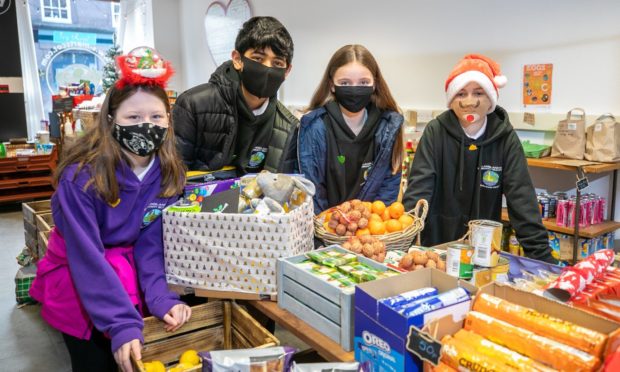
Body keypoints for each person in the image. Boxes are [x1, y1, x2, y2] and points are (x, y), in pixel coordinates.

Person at [30, 47, 192, 372]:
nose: (146, 126)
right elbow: (86, 256)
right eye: (133, 118)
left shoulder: (168, 174)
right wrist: (119, 322)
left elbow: (152, 244)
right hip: (79, 279)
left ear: (168, 121)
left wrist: (161, 298)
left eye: (156, 117)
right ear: (111, 121)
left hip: (131, 275)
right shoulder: (81, 178)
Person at [403, 54, 556, 263]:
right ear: (451, 98)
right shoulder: (435, 133)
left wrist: (544, 261)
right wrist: (405, 245)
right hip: (436, 248)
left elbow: (522, 200)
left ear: (491, 98)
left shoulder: (505, 138)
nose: (469, 102)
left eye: (478, 92)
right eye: (461, 94)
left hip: (482, 250)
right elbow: (418, 193)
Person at [173, 16, 298, 176]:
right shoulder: (193, 105)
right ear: (238, 60)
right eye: (258, 59)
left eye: (277, 63)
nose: (267, 68)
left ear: (287, 71)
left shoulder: (287, 125)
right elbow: (174, 177)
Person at [298, 44, 404, 214]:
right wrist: (329, 228)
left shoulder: (388, 128)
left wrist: (368, 226)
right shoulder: (315, 128)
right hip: (324, 231)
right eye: (345, 82)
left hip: (370, 232)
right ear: (332, 85)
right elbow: (311, 190)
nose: (354, 90)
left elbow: (388, 189)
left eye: (363, 82)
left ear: (374, 84)